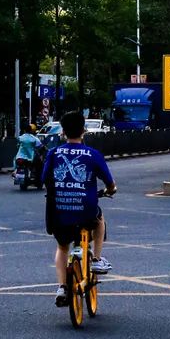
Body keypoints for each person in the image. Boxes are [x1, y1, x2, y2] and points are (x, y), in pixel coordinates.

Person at [42, 110, 116, 308]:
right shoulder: (93, 154)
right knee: (99, 220)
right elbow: (110, 182)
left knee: (62, 247)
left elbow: (44, 179)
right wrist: (111, 190)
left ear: (63, 132)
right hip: (86, 212)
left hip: (59, 212)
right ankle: (97, 259)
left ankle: (61, 287)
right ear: (84, 131)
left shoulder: (54, 153)